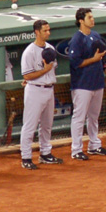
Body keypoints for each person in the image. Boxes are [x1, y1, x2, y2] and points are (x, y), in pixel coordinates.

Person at [66, 8, 106, 160]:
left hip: (97, 82)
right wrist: (94, 59)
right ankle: (76, 150)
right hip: (82, 85)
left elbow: (103, 59)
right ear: (81, 20)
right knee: (79, 118)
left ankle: (94, 145)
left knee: (94, 117)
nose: (92, 20)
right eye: (89, 17)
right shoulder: (76, 40)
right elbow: (75, 63)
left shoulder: (95, 35)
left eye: (92, 17)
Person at [20, 20, 63, 168]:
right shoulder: (29, 52)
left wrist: (46, 72)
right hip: (35, 91)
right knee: (30, 126)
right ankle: (26, 158)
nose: (48, 33)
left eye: (49, 30)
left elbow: (52, 69)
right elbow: (26, 76)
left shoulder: (50, 48)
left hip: (49, 90)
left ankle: (45, 154)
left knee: (47, 125)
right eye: (45, 30)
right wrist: (44, 70)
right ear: (37, 32)